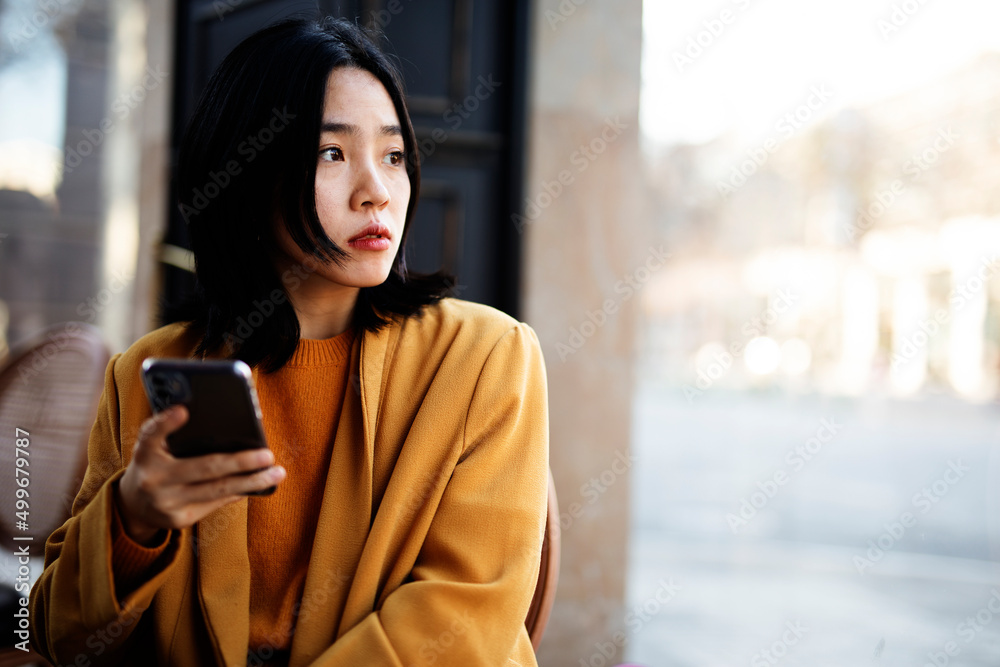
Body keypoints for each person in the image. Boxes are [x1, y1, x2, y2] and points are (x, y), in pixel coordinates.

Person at [29, 16, 549, 666]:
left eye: (393, 155)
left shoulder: (486, 359)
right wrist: (134, 518)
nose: (377, 192)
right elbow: (56, 634)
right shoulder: (149, 370)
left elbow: (464, 611)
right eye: (331, 154)